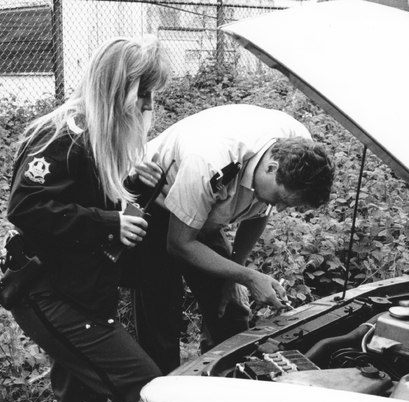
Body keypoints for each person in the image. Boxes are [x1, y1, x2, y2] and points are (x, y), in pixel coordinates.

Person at [5, 36, 169, 402]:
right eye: (144, 92)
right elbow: (29, 208)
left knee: (81, 396)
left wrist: (135, 187)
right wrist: (110, 221)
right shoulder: (62, 134)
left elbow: (89, 203)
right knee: (143, 385)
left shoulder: (101, 136)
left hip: (82, 289)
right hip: (48, 292)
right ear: (118, 86)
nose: (148, 103)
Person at [127, 104, 335, 374]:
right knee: (161, 319)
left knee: (231, 312)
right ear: (272, 167)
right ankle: (159, 394)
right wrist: (248, 276)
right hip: (157, 201)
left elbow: (260, 212)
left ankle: (224, 383)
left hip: (208, 205)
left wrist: (233, 274)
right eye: (283, 200)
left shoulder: (297, 147)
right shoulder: (209, 160)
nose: (280, 210)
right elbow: (179, 243)